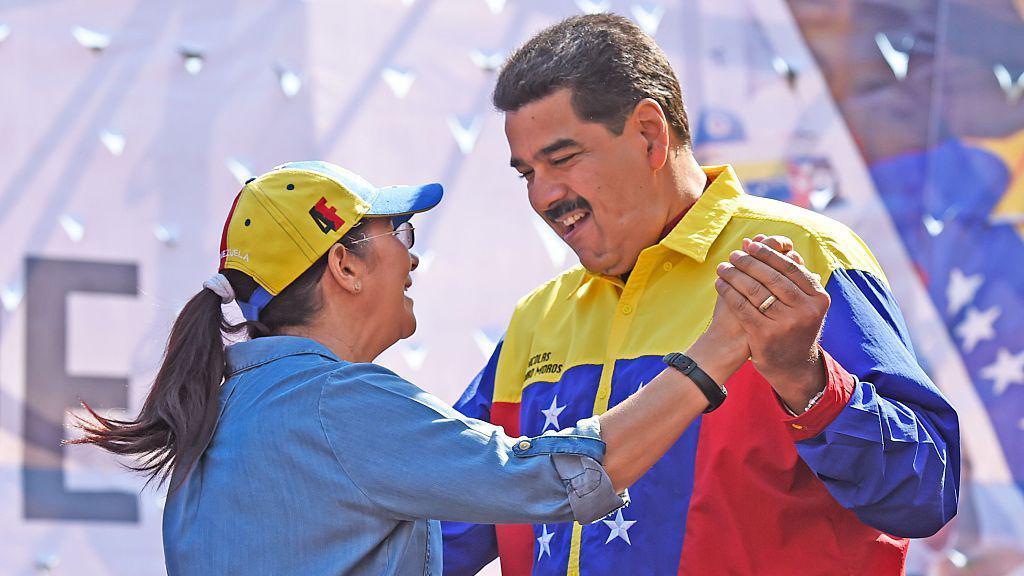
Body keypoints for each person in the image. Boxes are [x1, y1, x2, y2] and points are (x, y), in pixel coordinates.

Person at [69, 160, 803, 575]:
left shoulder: (228, 410)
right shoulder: (336, 405)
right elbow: (559, 476)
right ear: (345, 266)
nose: (413, 255)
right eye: (399, 231)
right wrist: (716, 351)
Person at [441, 14, 960, 576]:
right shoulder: (537, 318)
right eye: (526, 174)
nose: (544, 196)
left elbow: (924, 492)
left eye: (563, 159)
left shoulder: (802, 253)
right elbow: (439, 532)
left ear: (649, 134)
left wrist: (808, 384)